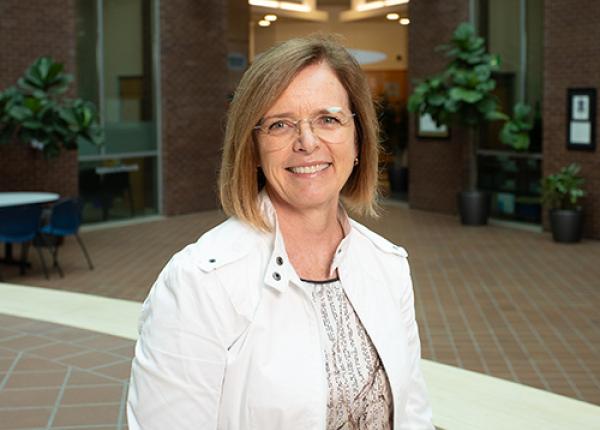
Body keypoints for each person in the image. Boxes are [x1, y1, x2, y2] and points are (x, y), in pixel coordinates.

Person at [127, 34, 433, 430]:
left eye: (328, 119)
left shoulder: (388, 265)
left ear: (357, 139)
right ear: (252, 148)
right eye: (280, 124)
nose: (307, 143)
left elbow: (412, 416)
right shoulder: (199, 283)